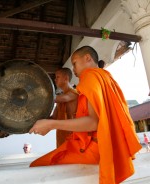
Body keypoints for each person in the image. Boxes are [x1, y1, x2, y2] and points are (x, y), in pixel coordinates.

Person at [29, 46, 142, 184]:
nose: (74, 70)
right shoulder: (106, 77)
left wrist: (50, 124)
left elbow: (92, 122)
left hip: (94, 147)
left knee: (37, 166)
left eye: (75, 63)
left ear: (87, 58)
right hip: (109, 145)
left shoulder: (90, 77)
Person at [51, 68, 78, 147]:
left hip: (73, 138)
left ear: (66, 78)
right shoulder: (60, 98)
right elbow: (53, 118)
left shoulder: (73, 93)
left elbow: (64, 98)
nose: (55, 80)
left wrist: (40, 96)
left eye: (57, 77)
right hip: (61, 137)